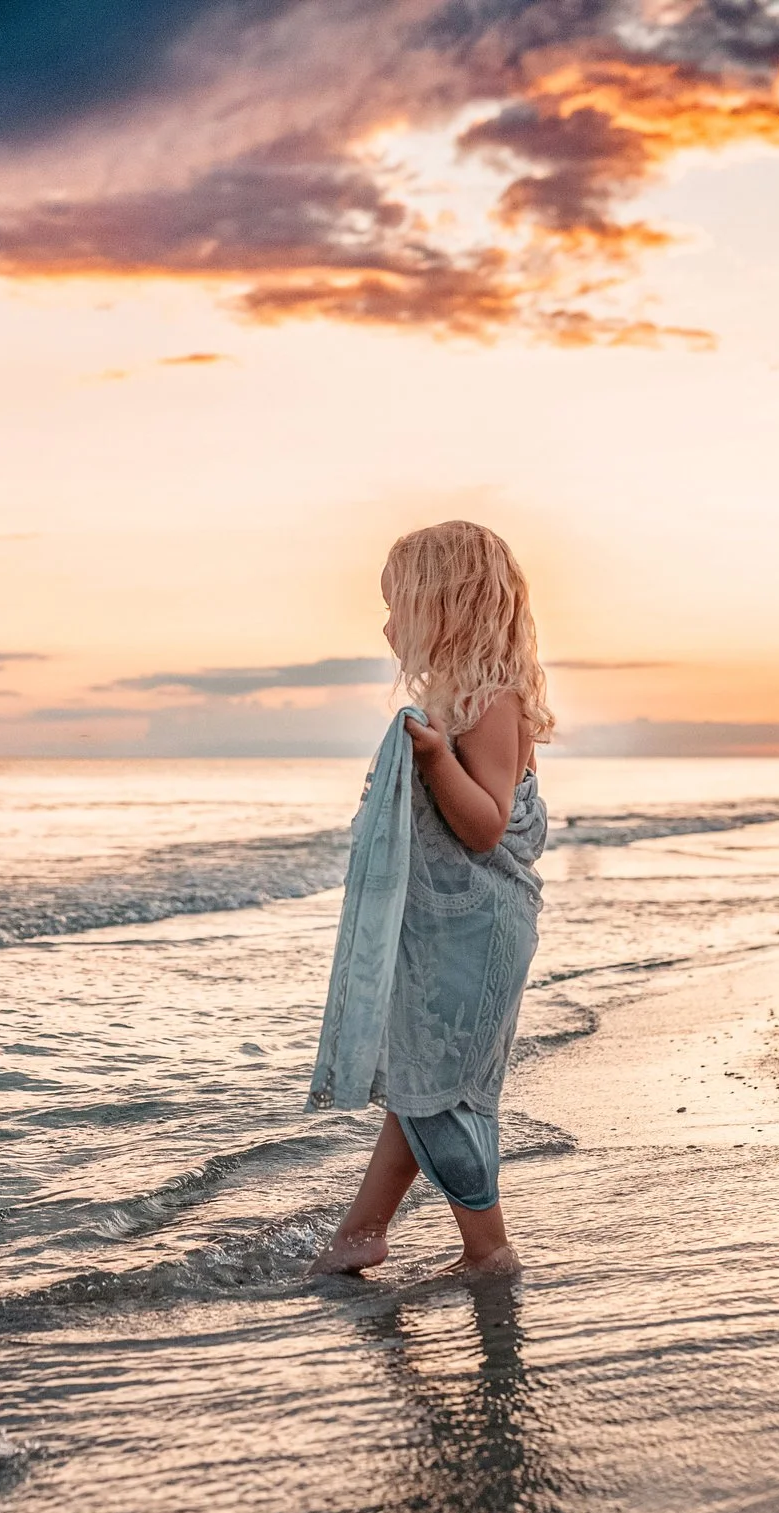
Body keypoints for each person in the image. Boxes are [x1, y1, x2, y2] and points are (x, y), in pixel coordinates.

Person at [308, 520, 553, 1278]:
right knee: (424, 1082)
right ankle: (362, 1230)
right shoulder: (460, 701)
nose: (387, 625)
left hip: (478, 931)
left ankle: (488, 1249)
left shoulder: (492, 704)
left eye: (398, 606)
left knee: (444, 1093)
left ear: (447, 606)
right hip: (454, 928)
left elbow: (484, 827)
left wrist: (437, 756)